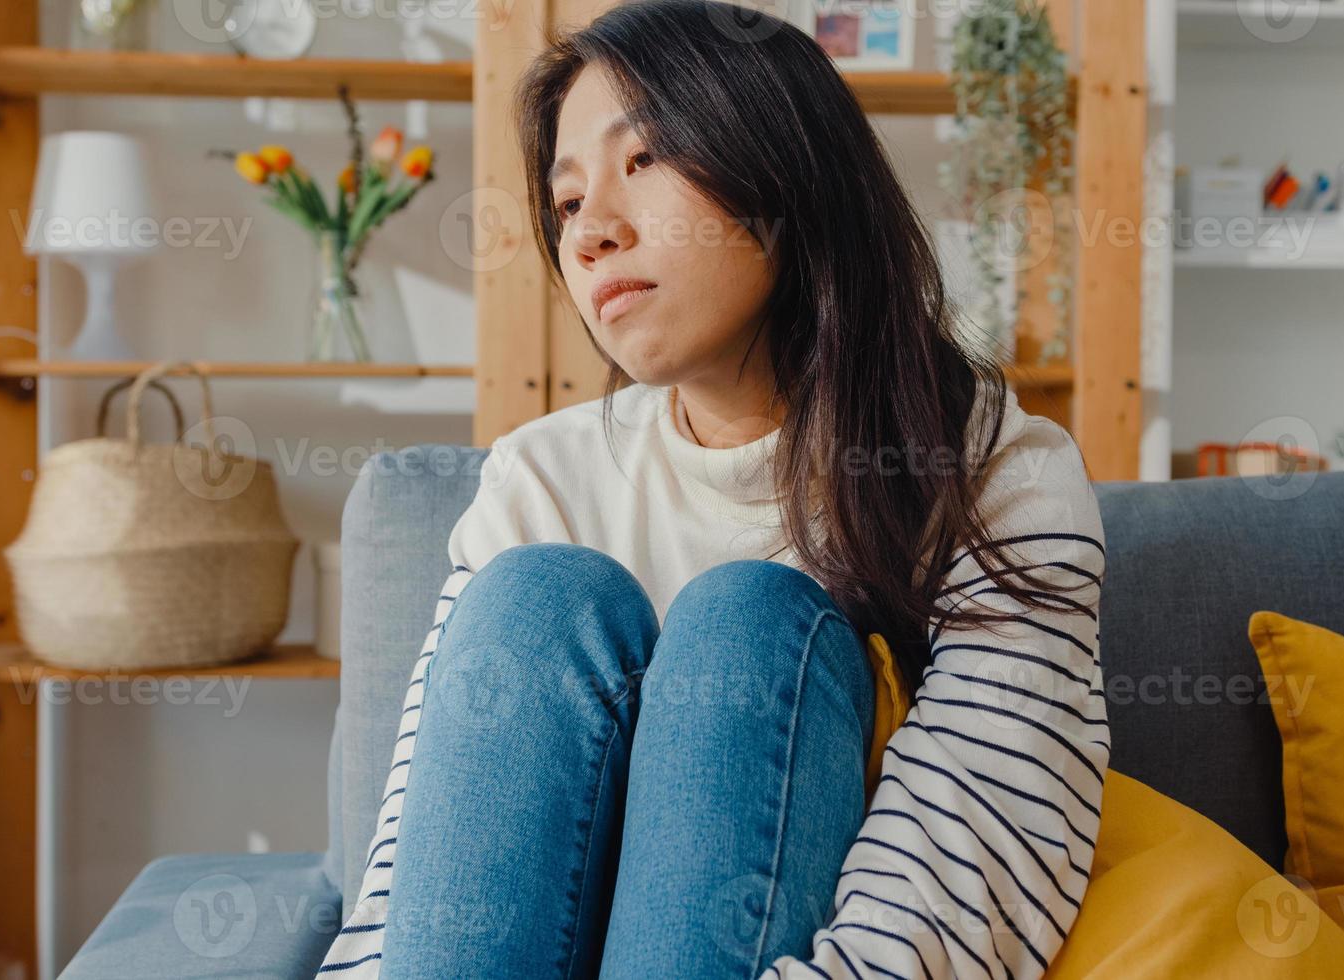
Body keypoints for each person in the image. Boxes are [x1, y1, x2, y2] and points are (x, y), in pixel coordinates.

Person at [318, 2, 1107, 977]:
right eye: (565, 204)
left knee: (748, 619)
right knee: (534, 597)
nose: (593, 232)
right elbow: (403, 893)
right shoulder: (538, 481)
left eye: (641, 158)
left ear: (785, 170)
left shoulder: (1001, 472)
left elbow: (961, 883)